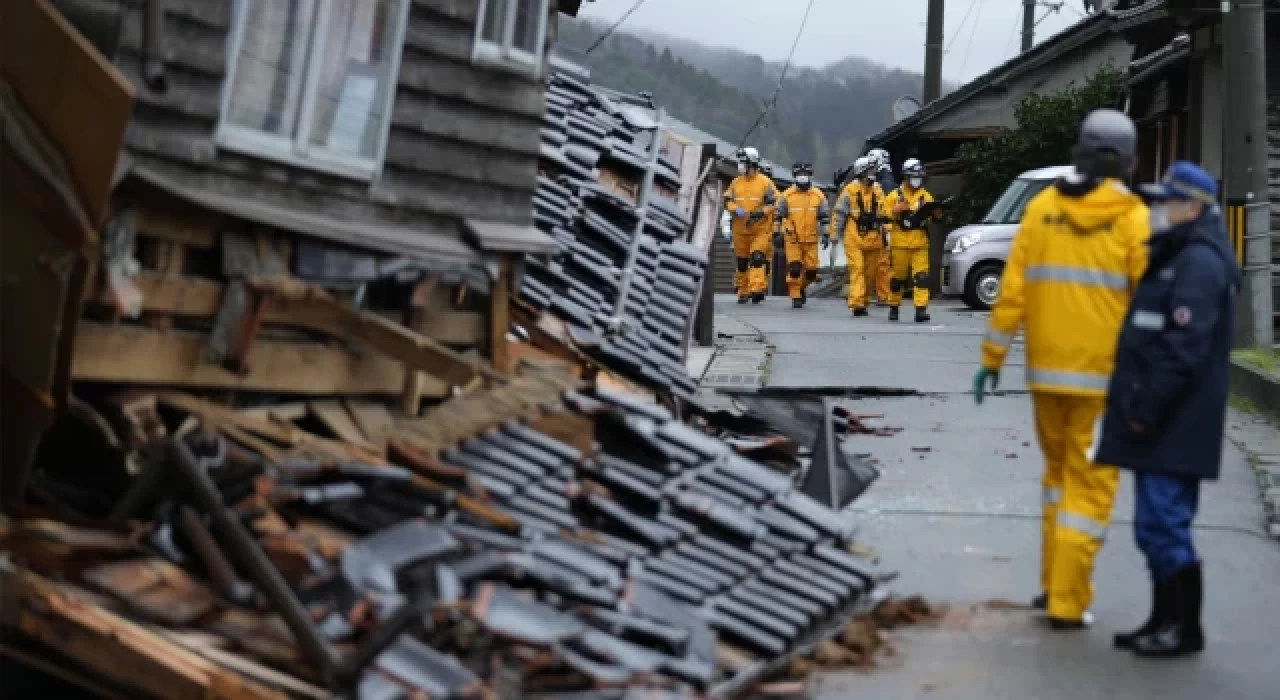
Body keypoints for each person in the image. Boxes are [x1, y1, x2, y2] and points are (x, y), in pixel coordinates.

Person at [973, 109, 1151, 629]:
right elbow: (1149, 305)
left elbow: (1011, 295)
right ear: (1126, 159)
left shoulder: (1043, 208)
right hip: (1104, 382)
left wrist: (991, 360)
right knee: (1088, 489)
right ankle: (1067, 603)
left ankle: (1054, 584)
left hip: (1046, 376)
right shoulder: (1134, 218)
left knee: (1056, 481)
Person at [1093, 161, 1239, 658]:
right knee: (1153, 525)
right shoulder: (1180, 252)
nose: (1157, 210)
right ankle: (1162, 620)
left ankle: (1183, 629)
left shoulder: (1199, 261)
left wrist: (1146, 409)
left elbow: (1185, 347)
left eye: (1166, 201)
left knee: (1165, 524)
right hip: (1164, 417)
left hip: (1175, 418)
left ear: (1193, 207)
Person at [882, 158, 941, 322]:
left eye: (919, 177)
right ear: (906, 177)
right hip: (900, 243)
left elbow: (931, 218)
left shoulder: (925, 196)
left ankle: (920, 310)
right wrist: (895, 210)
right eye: (913, 176)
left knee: (922, 278)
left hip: (920, 243)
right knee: (897, 279)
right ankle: (894, 307)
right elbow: (883, 215)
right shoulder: (895, 195)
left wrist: (936, 216)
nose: (916, 180)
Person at [832, 157, 887, 316]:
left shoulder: (878, 189)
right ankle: (857, 304)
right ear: (861, 172)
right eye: (869, 170)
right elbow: (839, 213)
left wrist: (887, 231)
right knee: (858, 269)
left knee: (870, 273)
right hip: (854, 237)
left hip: (874, 238)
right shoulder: (850, 190)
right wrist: (835, 233)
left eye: (873, 170)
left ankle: (864, 300)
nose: (872, 173)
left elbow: (884, 212)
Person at [724, 147, 778, 304]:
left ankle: (757, 289)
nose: (740, 165)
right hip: (740, 229)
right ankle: (743, 290)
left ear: (752, 163)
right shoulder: (735, 182)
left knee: (757, 258)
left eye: (743, 162)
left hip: (760, 229)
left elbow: (775, 201)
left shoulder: (765, 182)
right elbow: (727, 200)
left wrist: (763, 212)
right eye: (740, 162)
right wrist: (735, 209)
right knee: (742, 262)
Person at [775, 162, 830, 309]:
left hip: (811, 238)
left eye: (805, 175)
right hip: (792, 238)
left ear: (810, 176)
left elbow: (825, 217)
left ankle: (800, 287)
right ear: (795, 177)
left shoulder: (818, 196)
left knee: (811, 272)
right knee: (794, 268)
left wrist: (825, 234)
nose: (802, 178)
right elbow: (778, 216)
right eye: (799, 175)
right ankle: (795, 295)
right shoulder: (786, 195)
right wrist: (776, 232)